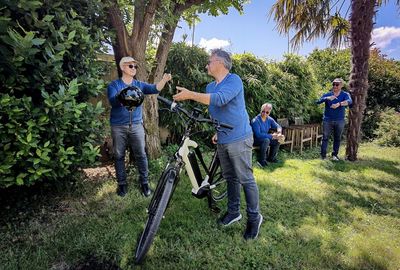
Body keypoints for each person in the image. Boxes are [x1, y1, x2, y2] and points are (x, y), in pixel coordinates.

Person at [173, 49, 263, 240]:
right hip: (223, 138)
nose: (207, 65)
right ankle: (233, 212)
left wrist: (190, 94)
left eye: (209, 61)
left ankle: (254, 218)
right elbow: (215, 110)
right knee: (231, 177)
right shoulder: (209, 87)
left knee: (245, 178)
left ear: (221, 63)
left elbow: (221, 99)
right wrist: (216, 130)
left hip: (239, 137)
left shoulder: (234, 80)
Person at [107, 56, 172, 197]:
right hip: (118, 126)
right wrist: (125, 95)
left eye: (135, 66)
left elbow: (155, 89)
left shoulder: (140, 85)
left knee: (141, 155)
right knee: (119, 156)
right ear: (122, 67)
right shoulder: (114, 85)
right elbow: (113, 101)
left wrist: (164, 80)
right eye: (131, 66)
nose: (134, 69)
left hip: (136, 125)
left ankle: (144, 184)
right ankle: (122, 185)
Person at [316, 78, 352, 160]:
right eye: (334, 84)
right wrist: (327, 98)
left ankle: (334, 155)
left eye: (337, 84)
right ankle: (323, 156)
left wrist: (339, 104)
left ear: (341, 85)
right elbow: (317, 101)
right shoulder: (328, 94)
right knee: (325, 138)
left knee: (337, 138)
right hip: (327, 120)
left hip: (340, 120)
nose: (335, 86)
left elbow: (350, 101)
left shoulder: (345, 94)